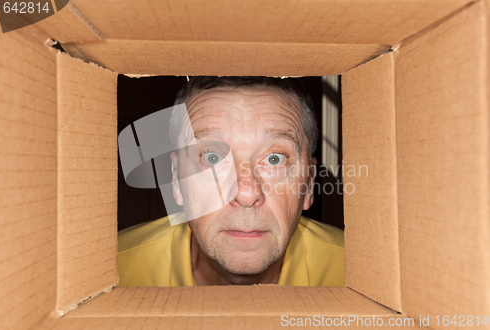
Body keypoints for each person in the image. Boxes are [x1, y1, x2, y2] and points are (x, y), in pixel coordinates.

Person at [117, 77, 344, 286]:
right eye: (212, 157)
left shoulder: (356, 270)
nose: (246, 194)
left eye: (274, 159)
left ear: (309, 183)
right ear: (176, 179)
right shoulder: (111, 270)